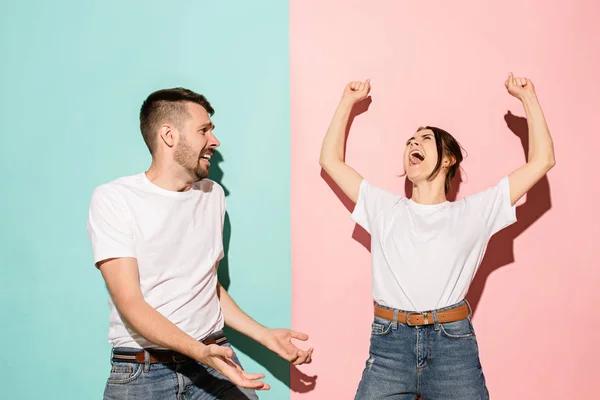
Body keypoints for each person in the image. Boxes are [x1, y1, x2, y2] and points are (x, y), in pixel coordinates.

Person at [319, 74, 555, 399]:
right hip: (390, 345)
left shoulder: (475, 212)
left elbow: (543, 161)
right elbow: (330, 162)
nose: (413, 143)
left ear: (448, 159)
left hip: (452, 348)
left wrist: (528, 97)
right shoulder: (382, 207)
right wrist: (348, 100)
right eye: (409, 141)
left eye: (425, 139)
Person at [86, 87, 313, 400]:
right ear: (169, 135)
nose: (215, 141)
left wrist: (264, 336)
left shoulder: (212, 196)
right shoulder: (115, 199)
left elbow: (207, 286)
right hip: (145, 375)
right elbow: (130, 303)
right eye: (204, 130)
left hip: (213, 361)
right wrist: (199, 351)